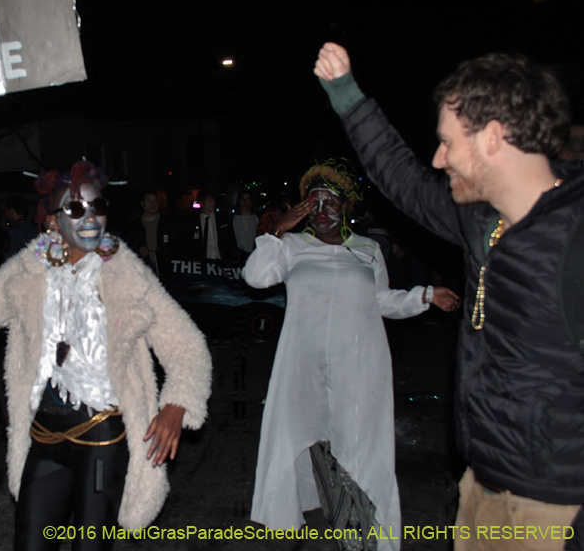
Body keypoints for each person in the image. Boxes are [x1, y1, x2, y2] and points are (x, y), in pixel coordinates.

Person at [314, 43, 584, 550]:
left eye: (447, 144)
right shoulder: (484, 216)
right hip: (483, 485)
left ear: (494, 139)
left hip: (554, 508)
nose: (438, 158)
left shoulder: (574, 239)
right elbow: (405, 181)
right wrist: (346, 94)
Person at [0, 161, 211, 550]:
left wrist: (177, 403)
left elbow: (186, 343)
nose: (90, 218)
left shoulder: (126, 273)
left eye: (97, 208)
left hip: (102, 436)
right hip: (43, 437)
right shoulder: (30, 268)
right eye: (76, 209)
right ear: (51, 220)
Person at [244, 164, 457, 551]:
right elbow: (256, 278)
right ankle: (348, 525)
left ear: (346, 206)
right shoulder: (292, 247)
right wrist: (277, 231)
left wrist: (426, 295)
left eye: (330, 201)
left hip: (359, 367)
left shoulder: (367, 249)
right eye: (314, 202)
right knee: (317, 445)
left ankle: (363, 532)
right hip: (303, 371)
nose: (322, 209)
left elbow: (382, 301)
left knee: (359, 449)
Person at [124, 190, 173, 277]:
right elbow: (127, 244)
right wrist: (138, 249)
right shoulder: (134, 224)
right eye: (149, 201)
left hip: (165, 269)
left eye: (155, 201)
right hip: (142, 269)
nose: (153, 204)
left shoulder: (168, 223)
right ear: (142, 204)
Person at [186, 189, 237, 260]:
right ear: (202, 203)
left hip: (221, 259)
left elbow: (231, 239)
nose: (213, 203)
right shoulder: (194, 221)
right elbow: (190, 243)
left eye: (213, 200)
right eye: (210, 201)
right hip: (203, 261)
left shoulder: (222, 219)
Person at [232, 191, 259, 258]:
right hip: (239, 255)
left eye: (248, 199)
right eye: (243, 199)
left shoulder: (255, 217)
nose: (245, 202)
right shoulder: (233, 218)